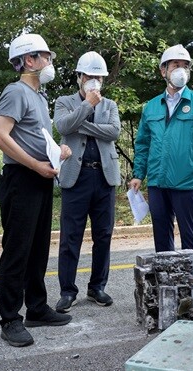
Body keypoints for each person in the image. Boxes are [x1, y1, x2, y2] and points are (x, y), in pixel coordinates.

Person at [0, 33, 73, 347]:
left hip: (41, 177)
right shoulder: (15, 91)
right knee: (17, 251)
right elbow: (0, 136)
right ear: (28, 60)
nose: (49, 62)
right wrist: (34, 164)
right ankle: (10, 319)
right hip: (21, 179)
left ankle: (37, 309)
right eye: (45, 56)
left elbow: (37, 138)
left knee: (39, 247)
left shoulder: (40, 98)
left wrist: (56, 152)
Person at [129, 44, 193, 253]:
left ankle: (192, 283)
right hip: (157, 182)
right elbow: (143, 143)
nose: (181, 70)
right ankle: (165, 283)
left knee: (190, 240)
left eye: (185, 66)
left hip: (186, 182)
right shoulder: (152, 106)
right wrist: (138, 174)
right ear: (164, 70)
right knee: (162, 242)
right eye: (175, 65)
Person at [53, 52, 121, 313]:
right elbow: (63, 126)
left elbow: (114, 132)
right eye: (89, 77)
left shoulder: (111, 105)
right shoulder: (64, 101)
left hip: (104, 176)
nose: (94, 82)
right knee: (71, 237)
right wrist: (87, 107)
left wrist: (81, 126)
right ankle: (67, 290)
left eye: (98, 78)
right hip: (75, 176)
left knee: (103, 234)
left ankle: (97, 287)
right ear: (79, 77)